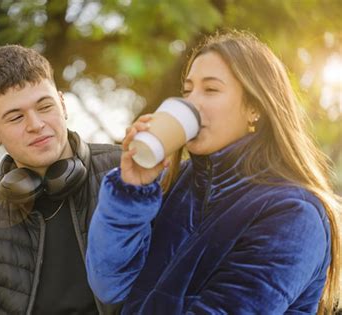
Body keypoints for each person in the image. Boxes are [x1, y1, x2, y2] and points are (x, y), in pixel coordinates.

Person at [86, 31, 341, 314]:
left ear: (254, 107)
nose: (192, 103)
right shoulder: (177, 185)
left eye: (210, 90)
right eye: (187, 91)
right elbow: (110, 285)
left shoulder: (293, 214)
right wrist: (130, 191)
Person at [0, 44, 122, 314]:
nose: (36, 124)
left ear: (62, 104)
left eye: (45, 106)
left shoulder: (124, 171)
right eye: (16, 117)